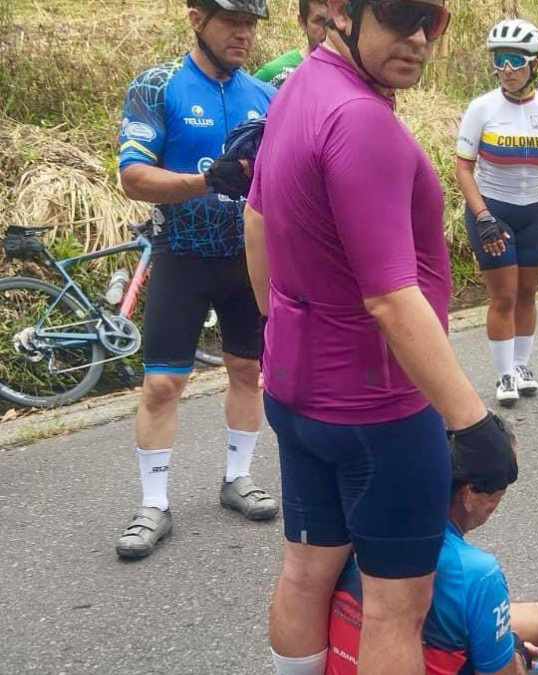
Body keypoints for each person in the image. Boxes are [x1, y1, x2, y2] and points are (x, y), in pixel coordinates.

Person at [245, 1, 512, 673]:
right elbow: (392, 299)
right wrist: (471, 420)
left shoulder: (299, 87)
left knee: (306, 570)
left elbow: (256, 223)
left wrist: (283, 332)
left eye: (434, 21)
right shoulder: (363, 121)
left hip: (295, 391)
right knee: (397, 608)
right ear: (339, 10)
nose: (419, 38)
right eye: (399, 14)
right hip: (380, 410)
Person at [114, 0, 277, 560]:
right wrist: (207, 181)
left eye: (251, 25)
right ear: (196, 18)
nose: (243, 34)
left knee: (248, 371)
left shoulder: (264, 95)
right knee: (162, 384)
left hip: (245, 257)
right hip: (181, 253)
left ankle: (238, 477)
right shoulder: (158, 86)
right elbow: (134, 175)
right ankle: (153, 504)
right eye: (232, 22)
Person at [326, 436, 538, 675]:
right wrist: (515, 653)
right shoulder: (475, 571)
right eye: (500, 490)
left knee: (482, 616)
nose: (498, 503)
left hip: (363, 652)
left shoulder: (358, 519)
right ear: (469, 493)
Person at [455, 19, 538, 407]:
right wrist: (483, 216)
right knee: (503, 297)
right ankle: (503, 374)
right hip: (492, 211)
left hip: (533, 213)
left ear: (534, 63)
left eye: (514, 60)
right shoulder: (482, 108)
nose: (505, 69)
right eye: (498, 60)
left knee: (527, 294)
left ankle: (522, 365)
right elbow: (463, 169)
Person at [254, 0, 329, 88]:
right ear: (302, 23)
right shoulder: (275, 73)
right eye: (319, 21)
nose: (328, 29)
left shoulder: (347, 71)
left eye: (333, 21)